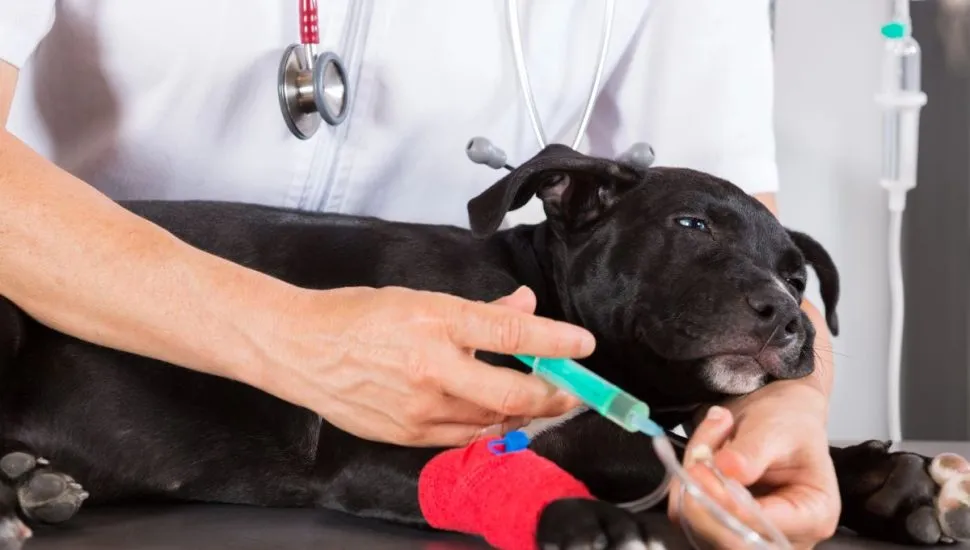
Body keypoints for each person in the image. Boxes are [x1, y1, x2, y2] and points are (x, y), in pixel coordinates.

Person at [0, 0, 839, 546]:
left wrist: (786, 412)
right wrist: (291, 336)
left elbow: (743, 240)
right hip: (68, 317)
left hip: (439, 475)